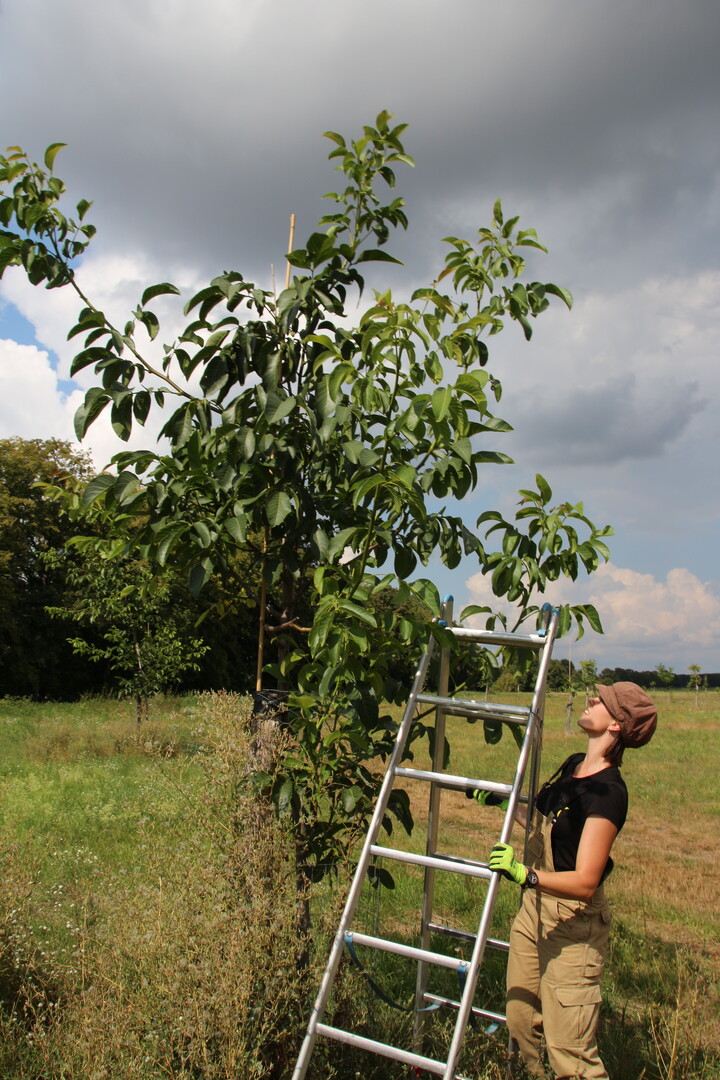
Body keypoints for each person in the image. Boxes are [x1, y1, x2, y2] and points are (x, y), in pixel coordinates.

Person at [479, 682, 657, 1080]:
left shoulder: (608, 792)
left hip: (573, 924)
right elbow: (547, 825)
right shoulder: (576, 763)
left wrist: (526, 874)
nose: (592, 699)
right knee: (521, 1022)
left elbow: (585, 881)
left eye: (603, 701)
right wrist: (503, 802)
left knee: (571, 1055)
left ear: (615, 726)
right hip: (534, 913)